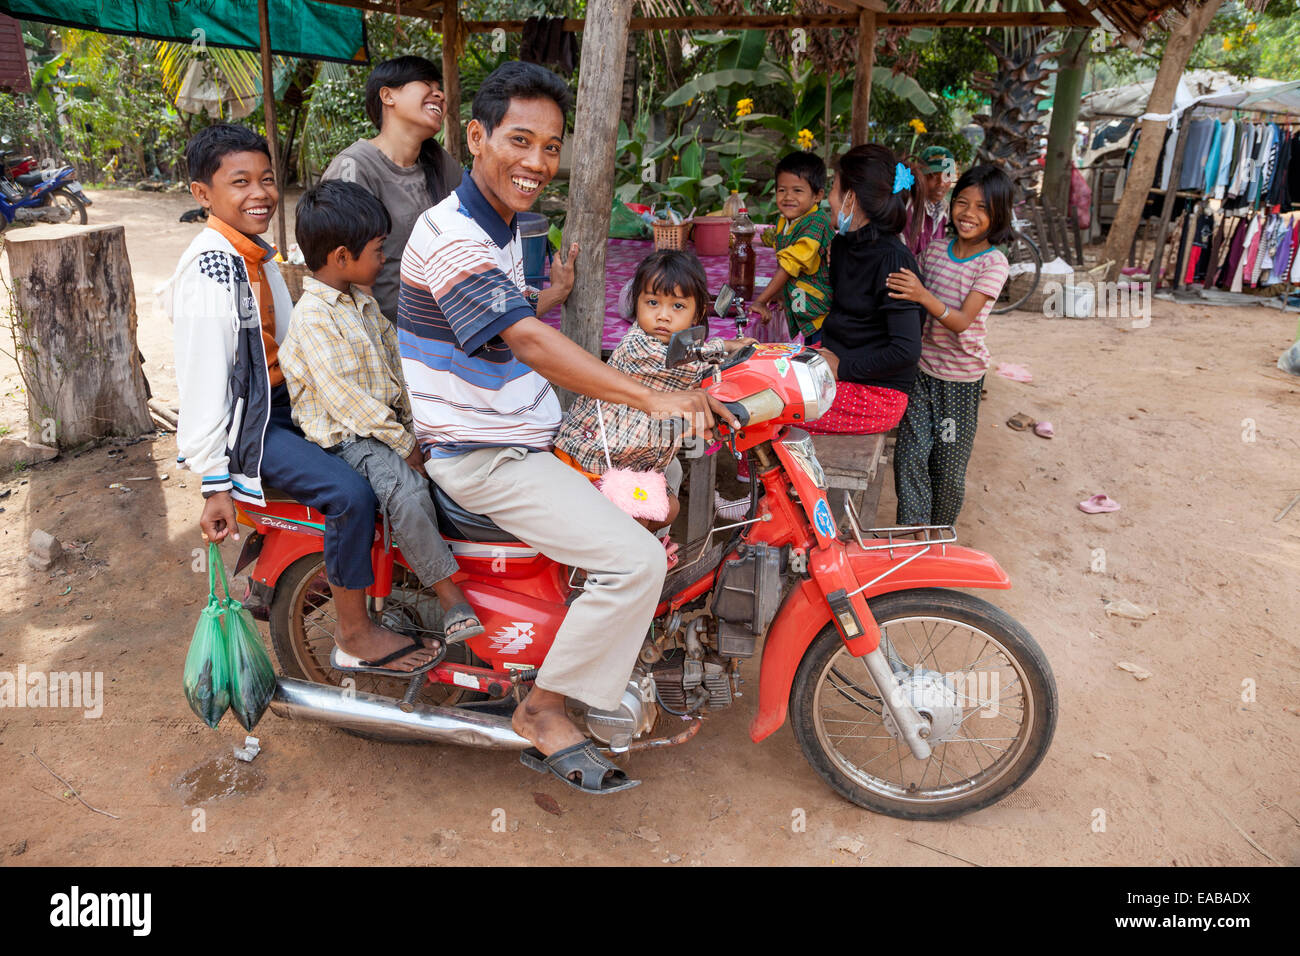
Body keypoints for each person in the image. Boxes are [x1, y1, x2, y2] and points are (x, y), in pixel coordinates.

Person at [396, 62, 735, 793]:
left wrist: (549, 292)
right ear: (476, 137)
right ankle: (544, 709)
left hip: (525, 434)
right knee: (635, 562)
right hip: (489, 456)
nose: (537, 163)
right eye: (520, 141)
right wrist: (651, 397)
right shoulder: (451, 232)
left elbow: (503, 319)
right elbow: (524, 340)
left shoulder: (507, 227)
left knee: (653, 504)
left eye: (551, 148)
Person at [162, 124, 438, 677]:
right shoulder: (212, 266)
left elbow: (295, 348)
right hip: (253, 428)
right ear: (202, 194)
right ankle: (355, 632)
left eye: (266, 178)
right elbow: (202, 380)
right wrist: (213, 483)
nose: (259, 193)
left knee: (387, 462)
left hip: (285, 406)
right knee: (349, 494)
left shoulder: (255, 255)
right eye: (239, 182)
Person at [278, 179, 485, 670]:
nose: (386, 258)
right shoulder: (313, 319)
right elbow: (351, 405)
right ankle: (449, 594)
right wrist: (405, 442)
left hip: (387, 425)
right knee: (406, 490)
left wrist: (427, 422)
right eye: (378, 250)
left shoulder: (363, 302)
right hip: (351, 439)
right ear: (343, 256)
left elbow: (400, 368)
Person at [553, 250, 754, 561]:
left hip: (636, 462)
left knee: (668, 509)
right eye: (652, 303)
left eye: (677, 306)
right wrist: (725, 347)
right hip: (592, 458)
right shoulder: (638, 345)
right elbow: (682, 359)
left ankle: (635, 554)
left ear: (697, 311)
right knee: (640, 517)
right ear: (636, 304)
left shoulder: (681, 349)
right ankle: (613, 569)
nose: (663, 315)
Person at [886, 164, 1013, 526]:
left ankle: (939, 533)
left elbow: (960, 321)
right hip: (921, 374)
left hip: (959, 383)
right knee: (910, 455)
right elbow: (908, 294)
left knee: (947, 466)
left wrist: (923, 295)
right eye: (963, 202)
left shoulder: (993, 263)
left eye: (983, 208)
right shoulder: (936, 250)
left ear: (999, 214)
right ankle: (913, 534)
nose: (969, 214)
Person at [321, 56, 463, 321]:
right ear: (387, 95)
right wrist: (379, 338)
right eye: (426, 83)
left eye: (439, 87)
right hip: (388, 335)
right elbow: (345, 269)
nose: (440, 95)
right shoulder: (354, 167)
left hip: (441, 331)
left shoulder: (439, 163)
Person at [804, 144, 925, 436]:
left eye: (833, 188)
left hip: (876, 396)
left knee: (762, 405)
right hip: (838, 371)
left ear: (851, 198)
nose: (827, 200)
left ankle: (785, 481)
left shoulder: (893, 261)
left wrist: (843, 367)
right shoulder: (845, 245)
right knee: (757, 374)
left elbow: (906, 351)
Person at [748, 152, 834, 345]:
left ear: (818, 195)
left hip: (822, 313)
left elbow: (789, 266)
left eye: (797, 190)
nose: (788, 197)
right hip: (807, 311)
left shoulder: (816, 223)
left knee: (819, 362)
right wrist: (781, 293)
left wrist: (761, 301)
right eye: (781, 190)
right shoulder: (785, 221)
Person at [904, 145, 958, 258]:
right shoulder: (910, 207)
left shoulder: (944, 209)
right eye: (933, 176)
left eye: (947, 175)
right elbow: (905, 254)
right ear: (921, 176)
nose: (942, 183)